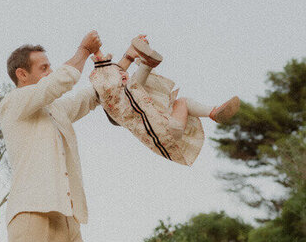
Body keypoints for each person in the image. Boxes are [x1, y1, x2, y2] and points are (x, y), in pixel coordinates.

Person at [0, 30, 103, 242]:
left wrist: (120, 65)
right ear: (22, 74)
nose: (51, 71)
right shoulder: (13, 103)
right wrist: (83, 49)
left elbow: (87, 98)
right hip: (33, 214)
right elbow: (57, 85)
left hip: (67, 220)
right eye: (43, 67)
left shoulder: (54, 111)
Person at [90, 35, 240, 166]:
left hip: (170, 129)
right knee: (133, 89)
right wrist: (97, 51)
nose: (123, 74)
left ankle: (213, 112)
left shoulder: (135, 99)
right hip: (164, 131)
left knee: (182, 102)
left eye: (124, 74)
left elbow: (121, 78)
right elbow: (106, 82)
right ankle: (146, 62)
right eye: (120, 76)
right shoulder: (121, 101)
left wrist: (138, 50)